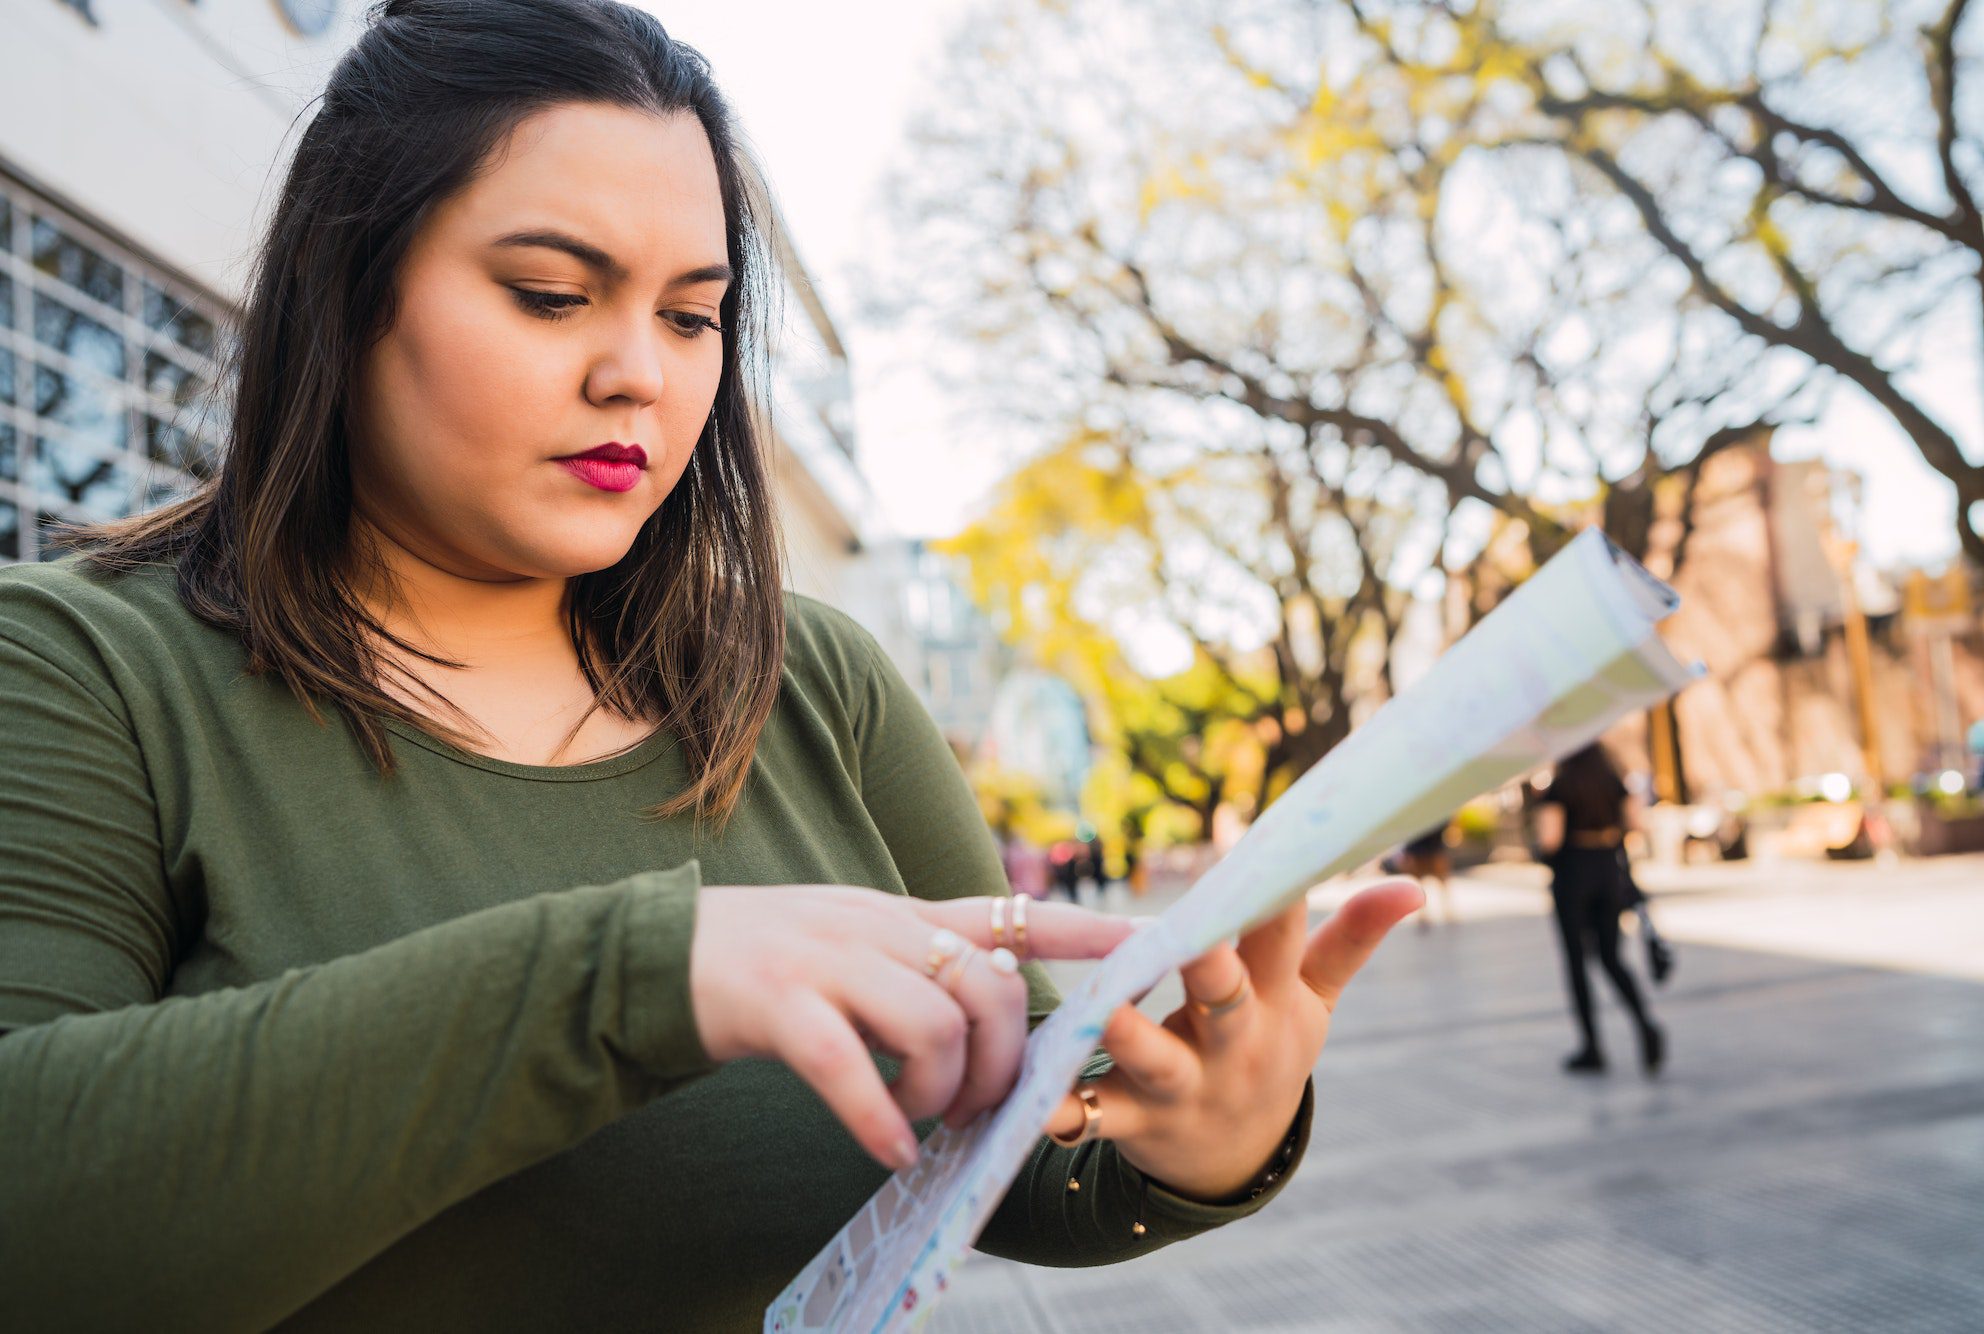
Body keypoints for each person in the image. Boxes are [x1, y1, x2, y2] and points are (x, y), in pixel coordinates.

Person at [0, 3, 1424, 1328]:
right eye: (555, 296)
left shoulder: (812, 684)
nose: (644, 373)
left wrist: (1198, 1138)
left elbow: (1012, 1137)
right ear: (339, 285)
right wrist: (628, 976)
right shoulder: (81, 672)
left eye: (691, 315)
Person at [1530, 743, 1667, 1077]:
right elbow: (1636, 822)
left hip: (1573, 876)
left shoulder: (1559, 787)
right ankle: (1645, 1025)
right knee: (1611, 958)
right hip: (1609, 872)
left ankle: (1592, 1046)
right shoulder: (1611, 779)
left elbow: (1550, 840)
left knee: (1577, 963)